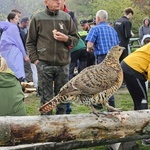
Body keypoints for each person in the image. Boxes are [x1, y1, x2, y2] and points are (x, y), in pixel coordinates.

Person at [26, 0, 78, 115]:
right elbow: (30, 42)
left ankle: (61, 126)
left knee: (62, 98)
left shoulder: (66, 17)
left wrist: (66, 39)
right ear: (46, 2)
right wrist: (36, 60)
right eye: (55, 0)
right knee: (46, 99)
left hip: (63, 64)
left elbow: (75, 40)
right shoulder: (37, 18)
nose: (58, 2)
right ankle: (46, 127)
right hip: (44, 64)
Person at [85, 10, 119, 108]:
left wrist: (89, 49)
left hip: (102, 59)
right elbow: (117, 46)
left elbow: (89, 45)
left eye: (96, 18)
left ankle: (99, 104)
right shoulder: (112, 30)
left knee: (102, 83)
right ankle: (111, 105)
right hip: (114, 59)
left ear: (98, 18)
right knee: (111, 83)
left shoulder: (94, 29)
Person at [121, 34, 150, 147]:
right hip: (133, 69)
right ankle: (145, 136)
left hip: (130, 67)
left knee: (139, 101)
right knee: (142, 102)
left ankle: (136, 130)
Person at [0, 12, 29, 82]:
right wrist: (24, 55)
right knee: (17, 70)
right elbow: (18, 42)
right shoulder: (13, 27)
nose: (18, 21)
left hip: (4, 50)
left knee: (6, 68)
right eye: (16, 19)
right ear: (11, 20)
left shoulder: (5, 27)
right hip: (13, 50)